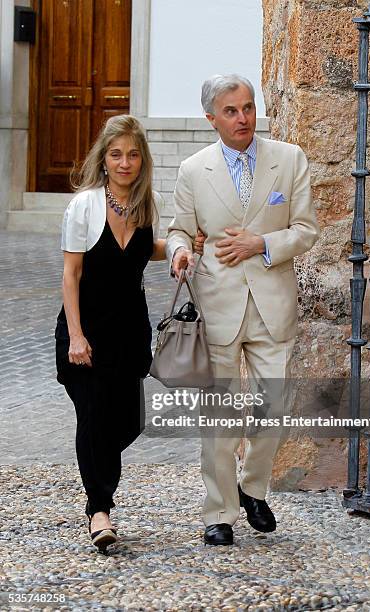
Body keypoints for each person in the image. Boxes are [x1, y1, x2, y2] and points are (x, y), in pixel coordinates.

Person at [167, 75, 320, 545]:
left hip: (273, 303)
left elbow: (306, 230)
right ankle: (219, 512)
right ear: (211, 118)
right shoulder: (194, 170)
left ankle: (253, 487)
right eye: (231, 111)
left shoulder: (289, 159)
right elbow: (179, 230)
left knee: (273, 407)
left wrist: (262, 243)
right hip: (218, 306)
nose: (243, 118)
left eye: (249, 107)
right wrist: (179, 253)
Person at [55, 114, 204, 552]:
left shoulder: (144, 203)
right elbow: (70, 274)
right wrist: (76, 336)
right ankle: (99, 509)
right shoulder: (83, 205)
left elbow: (143, 250)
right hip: (86, 329)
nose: (125, 163)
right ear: (104, 159)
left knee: (127, 421)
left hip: (129, 332)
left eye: (133, 155)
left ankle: (97, 476)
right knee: (94, 414)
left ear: (143, 160)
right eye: (116, 154)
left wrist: (177, 251)